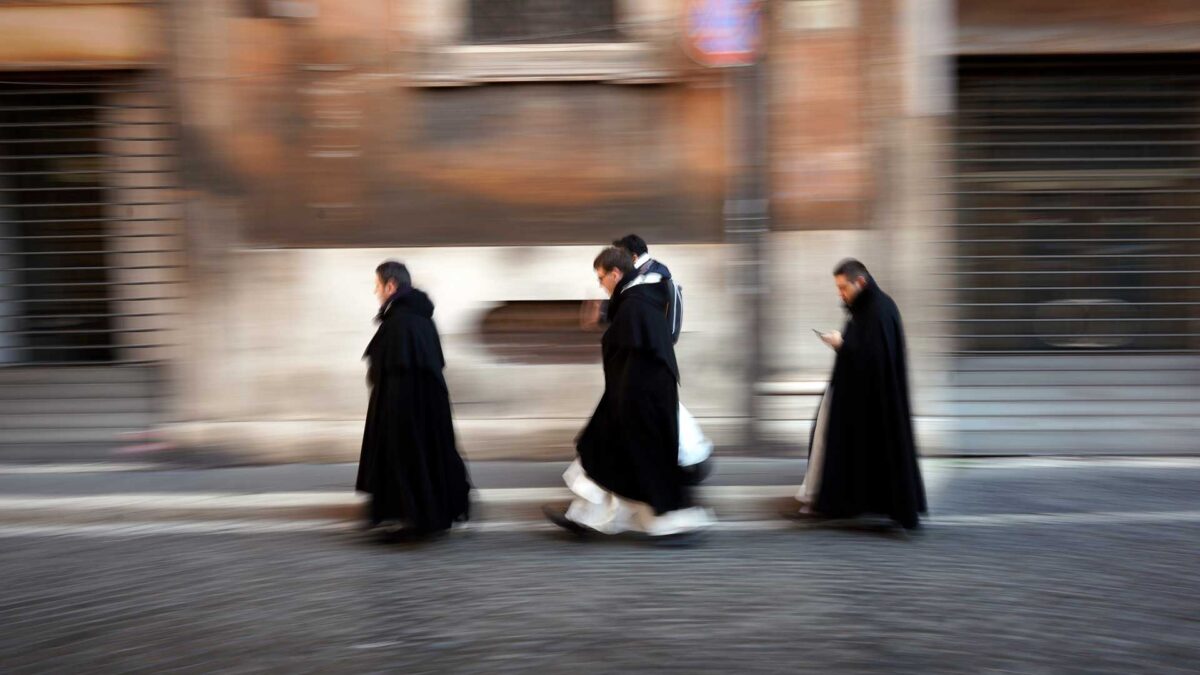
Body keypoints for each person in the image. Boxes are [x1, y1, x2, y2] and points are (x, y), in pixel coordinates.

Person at [545, 247, 713, 541]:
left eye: (601, 278)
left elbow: (636, 359)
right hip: (633, 396)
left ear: (616, 273)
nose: (601, 284)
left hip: (636, 399)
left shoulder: (635, 305)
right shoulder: (636, 302)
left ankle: (664, 522)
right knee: (611, 458)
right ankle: (585, 518)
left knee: (614, 458)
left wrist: (624, 403)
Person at [786, 259, 927, 530]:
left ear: (859, 282)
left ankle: (830, 501)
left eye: (843, 287)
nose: (840, 294)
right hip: (857, 395)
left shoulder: (879, 310)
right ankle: (833, 500)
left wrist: (842, 344)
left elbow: (873, 358)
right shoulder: (867, 307)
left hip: (868, 400)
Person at [357, 260, 471, 537]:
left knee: (409, 456)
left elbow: (397, 374)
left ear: (391, 285)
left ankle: (416, 517)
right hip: (424, 409)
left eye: (377, 286)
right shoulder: (419, 319)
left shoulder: (401, 322)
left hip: (405, 410)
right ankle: (416, 514)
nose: (376, 292)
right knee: (422, 456)